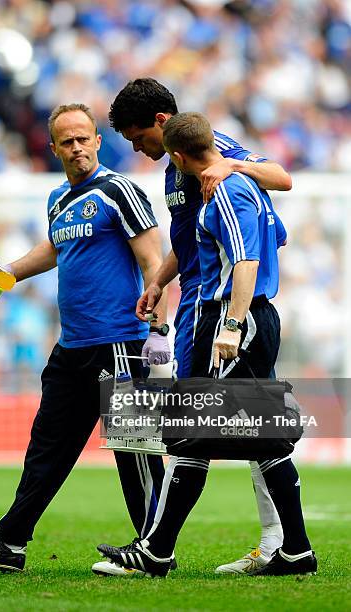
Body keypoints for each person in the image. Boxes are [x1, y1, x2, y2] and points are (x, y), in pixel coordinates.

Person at [0, 103, 172, 574]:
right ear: (53, 148)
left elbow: (154, 261)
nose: (76, 148)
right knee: (46, 447)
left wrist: (158, 335)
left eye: (83, 138)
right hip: (72, 347)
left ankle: (154, 549)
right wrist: (4, 272)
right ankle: (9, 544)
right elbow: (54, 248)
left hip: (120, 343)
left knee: (133, 453)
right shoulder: (59, 199)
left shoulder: (119, 190)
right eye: (66, 141)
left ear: (96, 140)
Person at [98, 112, 317, 577]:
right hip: (244, 316)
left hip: (233, 318)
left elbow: (246, 260)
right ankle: (294, 549)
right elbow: (278, 234)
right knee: (251, 436)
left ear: (178, 155)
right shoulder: (238, 185)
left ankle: (157, 552)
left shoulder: (227, 191)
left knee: (199, 431)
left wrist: (233, 324)